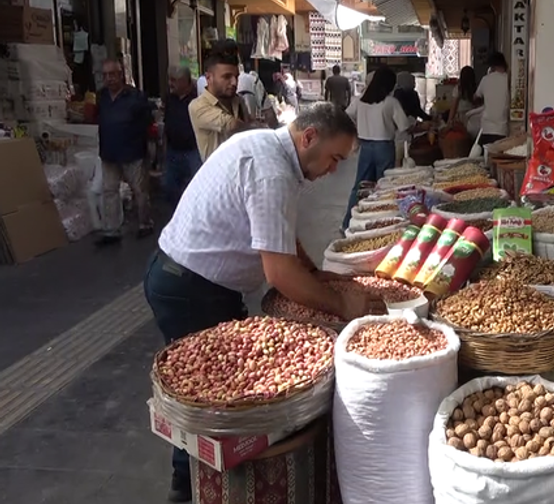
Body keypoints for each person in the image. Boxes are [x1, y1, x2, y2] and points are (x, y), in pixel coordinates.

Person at [145, 102, 382, 503]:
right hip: (188, 285)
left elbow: (280, 236)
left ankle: (199, 483)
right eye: (334, 158)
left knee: (216, 392)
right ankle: (189, 489)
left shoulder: (264, 147)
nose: (334, 170)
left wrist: (317, 274)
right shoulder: (272, 171)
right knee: (211, 403)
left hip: (191, 280)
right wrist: (341, 306)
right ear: (308, 138)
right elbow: (279, 275)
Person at [342, 66, 410, 230]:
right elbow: (404, 126)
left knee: (360, 186)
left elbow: (346, 115)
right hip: (384, 148)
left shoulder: (360, 101)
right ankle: (381, 225)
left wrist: (357, 130)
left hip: (366, 147)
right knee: (383, 188)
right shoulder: (391, 102)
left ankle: (347, 224)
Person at [96, 58, 154, 245]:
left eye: (112, 74)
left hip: (132, 151)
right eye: (105, 75)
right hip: (109, 152)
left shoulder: (135, 97)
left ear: (121, 75)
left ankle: (145, 224)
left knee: (139, 190)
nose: (109, 79)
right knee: (109, 191)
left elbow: (147, 122)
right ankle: (111, 230)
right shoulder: (102, 96)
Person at [189, 48, 250, 161]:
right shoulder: (198, 106)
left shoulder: (238, 101)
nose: (234, 83)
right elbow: (231, 124)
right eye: (227, 77)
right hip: (218, 175)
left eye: (236, 77)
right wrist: (257, 128)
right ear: (209, 78)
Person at [163, 66, 202, 206]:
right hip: (173, 150)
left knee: (195, 186)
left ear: (185, 81)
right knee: (169, 187)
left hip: (192, 151)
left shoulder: (197, 99)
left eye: (174, 80)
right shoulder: (170, 98)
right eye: (169, 79)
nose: (170, 83)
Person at [468, 52, 510, 148]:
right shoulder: (508, 79)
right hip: (502, 130)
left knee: (486, 157)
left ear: (492, 66)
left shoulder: (485, 79)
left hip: (486, 129)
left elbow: (475, 97)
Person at [447, 65, 480, 136]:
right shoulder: (477, 88)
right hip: (475, 118)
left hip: (461, 119)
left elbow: (454, 108)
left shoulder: (458, 89)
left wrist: (449, 122)